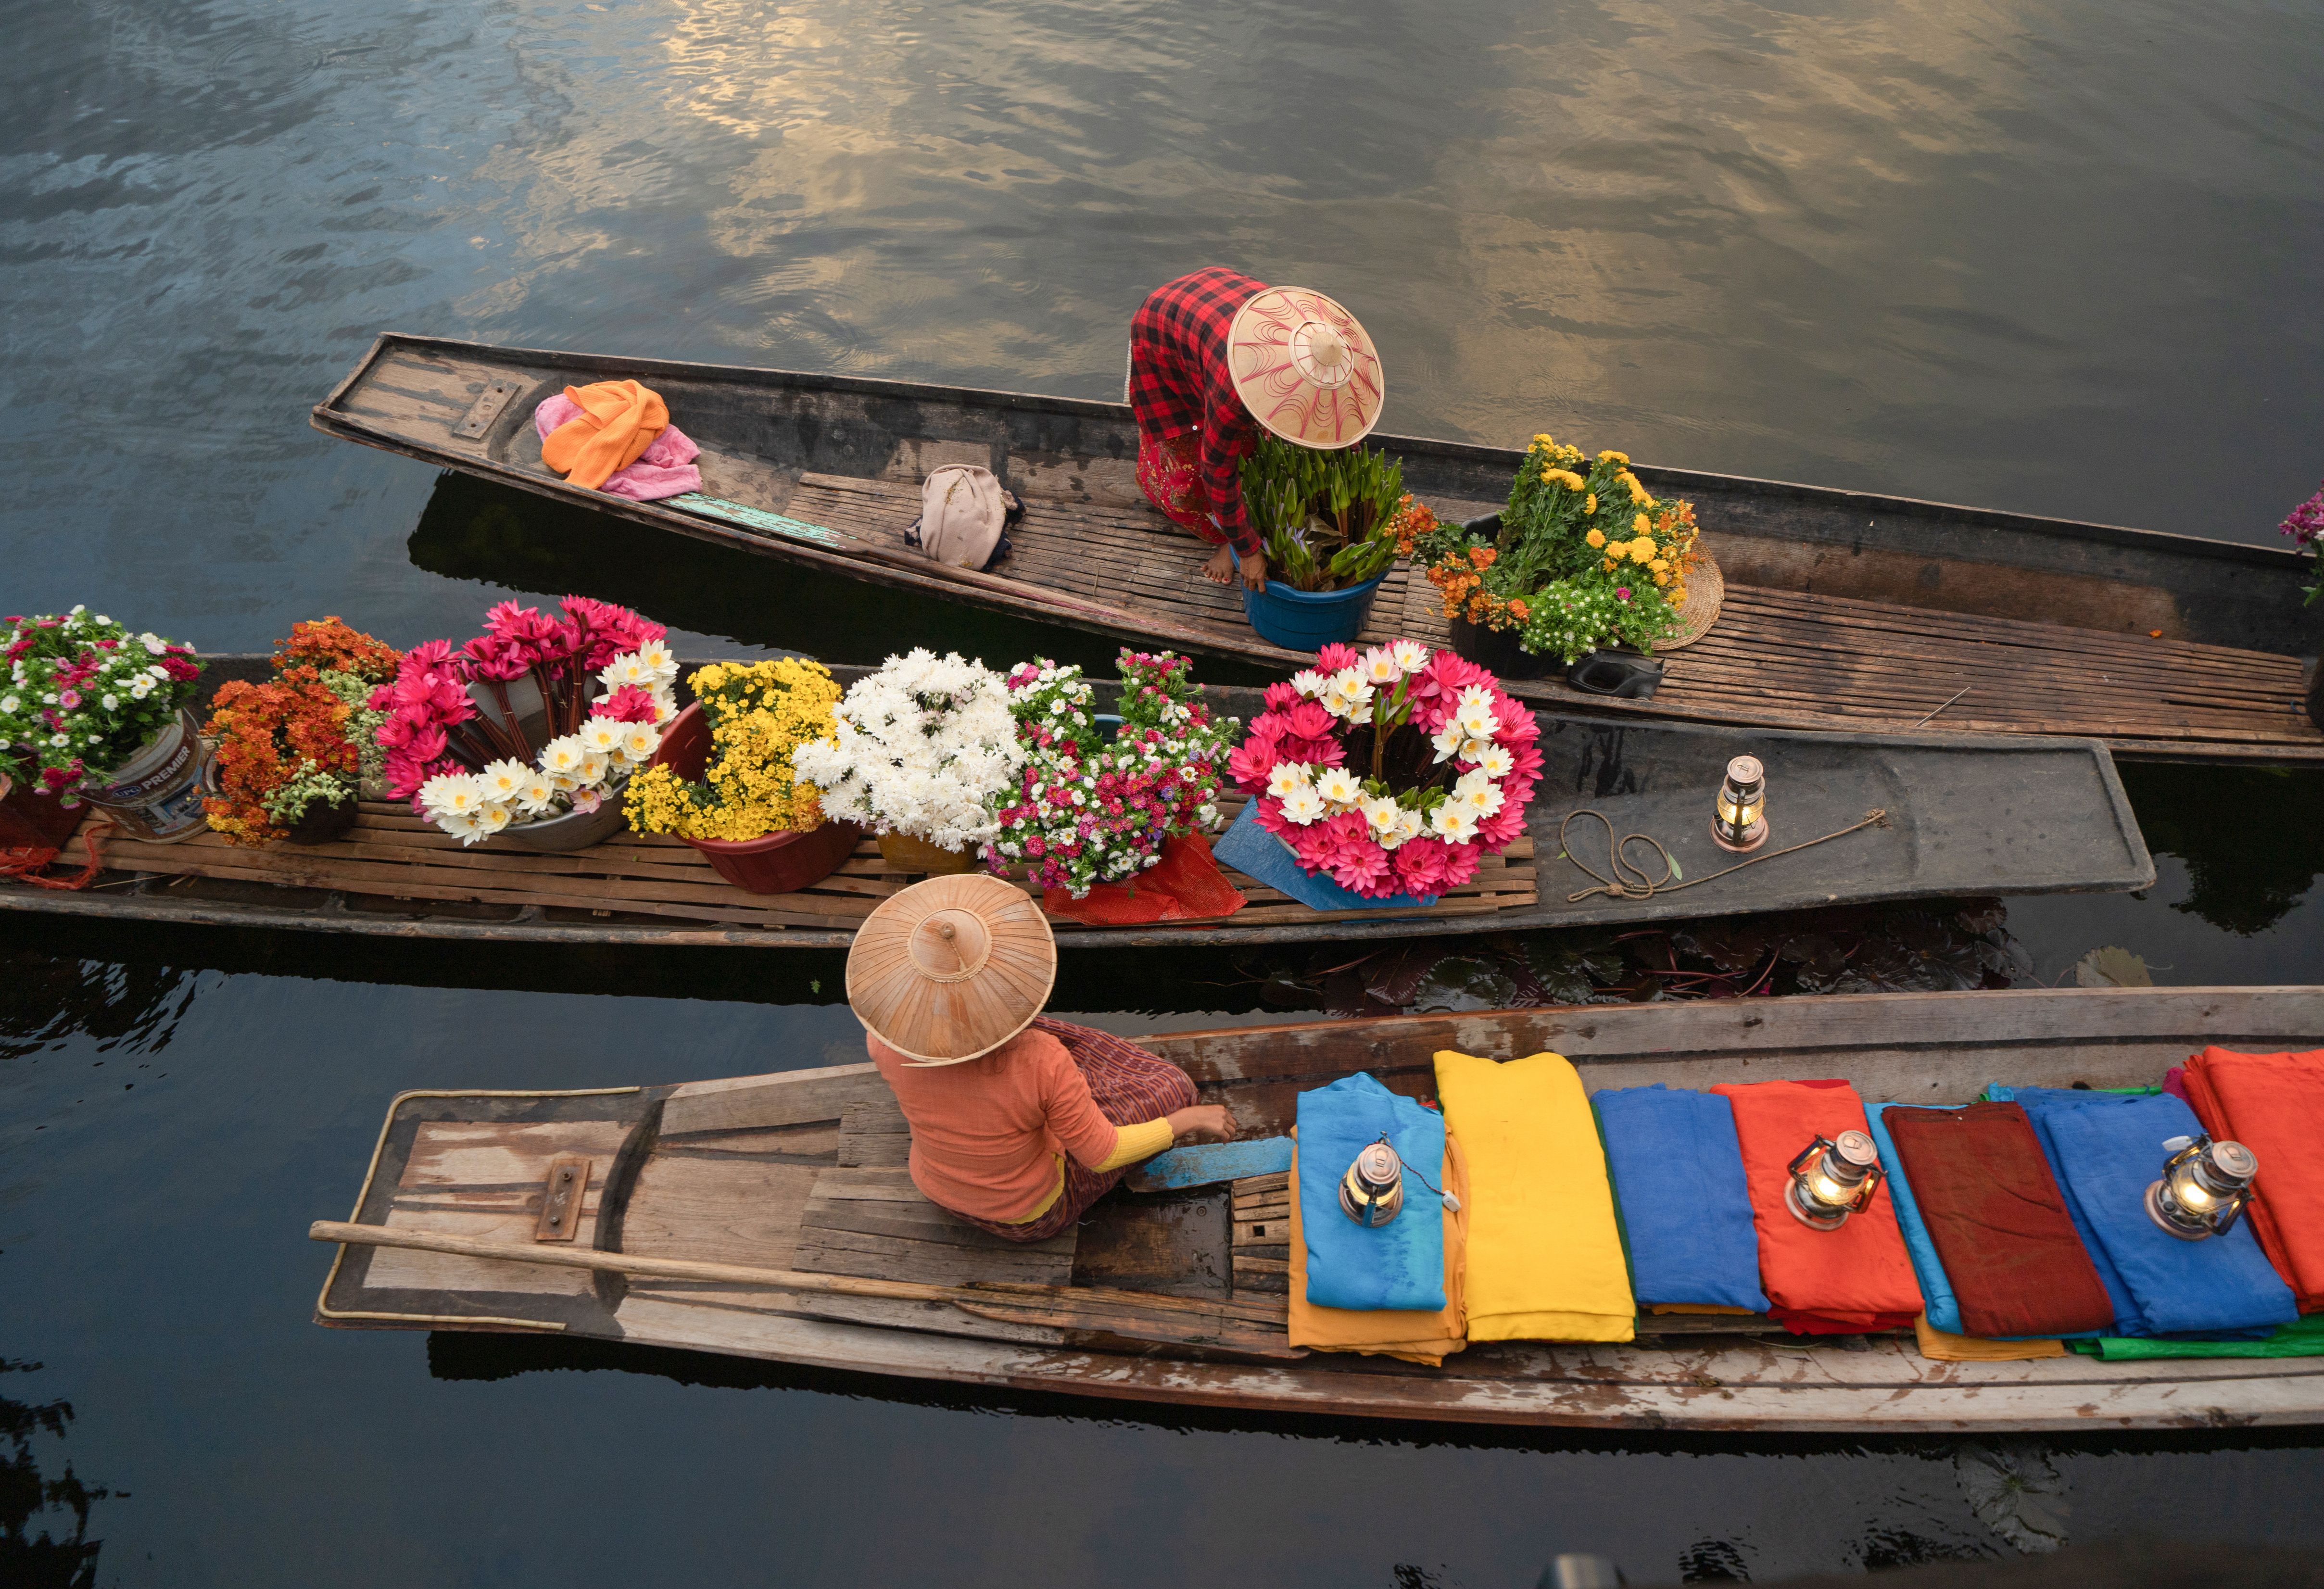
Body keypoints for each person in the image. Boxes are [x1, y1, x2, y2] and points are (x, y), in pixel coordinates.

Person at [846, 872, 1237, 1242]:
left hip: (936, 1189)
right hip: (1029, 1216)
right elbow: (1104, 1155)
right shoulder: (1039, 1058)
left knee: (1046, 1062)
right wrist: (1192, 1119)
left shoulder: (884, 1041)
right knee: (1173, 1088)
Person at [1127, 268, 1387, 589]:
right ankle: (1225, 538)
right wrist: (1247, 550)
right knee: (1190, 460)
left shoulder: (1335, 351)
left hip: (1224, 304)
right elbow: (1216, 472)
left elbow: (1343, 418)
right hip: (1163, 324)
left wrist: (1350, 453)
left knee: (1253, 445)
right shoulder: (1233, 393)